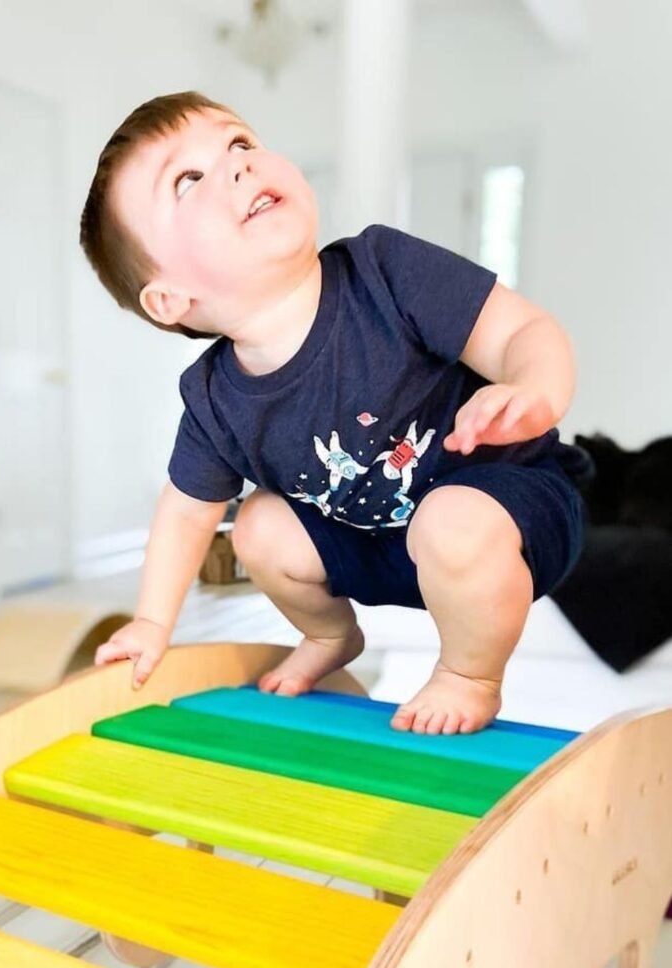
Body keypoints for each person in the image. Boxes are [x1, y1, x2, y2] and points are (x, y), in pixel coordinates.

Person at [80, 91, 589, 736]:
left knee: (451, 524)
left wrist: (534, 386)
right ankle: (330, 633)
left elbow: (522, 330)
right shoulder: (213, 398)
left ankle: (470, 675)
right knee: (256, 526)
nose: (237, 164)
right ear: (170, 299)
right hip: (381, 545)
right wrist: (153, 623)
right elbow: (185, 513)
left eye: (239, 142)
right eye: (188, 178)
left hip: (510, 513)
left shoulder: (383, 270)